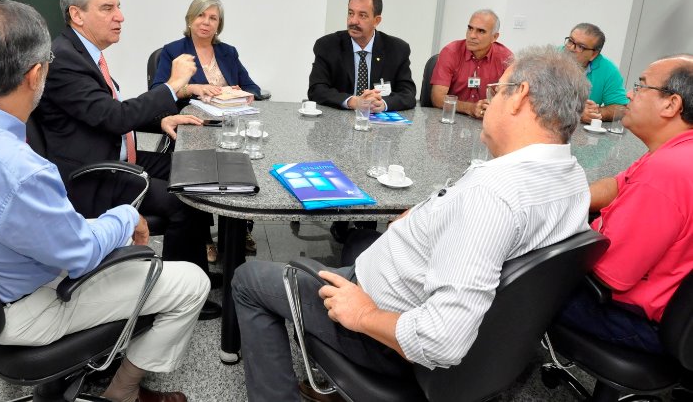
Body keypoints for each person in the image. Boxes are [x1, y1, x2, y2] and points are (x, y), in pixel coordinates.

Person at [233, 45, 592, 402]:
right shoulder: (572, 178)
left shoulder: (491, 196)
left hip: (385, 335)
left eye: (497, 91)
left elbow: (441, 339)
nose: (490, 101)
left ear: (519, 97)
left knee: (249, 281)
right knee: (359, 240)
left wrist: (364, 314)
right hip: (462, 326)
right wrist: (427, 214)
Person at [0, 0, 207, 402]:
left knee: (118, 239)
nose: (119, 15)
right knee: (192, 282)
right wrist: (126, 217)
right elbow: (81, 253)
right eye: (109, 7)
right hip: (24, 308)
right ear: (36, 74)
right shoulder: (21, 171)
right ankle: (122, 391)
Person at [34, 0, 221, 320]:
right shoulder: (64, 60)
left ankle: (198, 271)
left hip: (118, 158)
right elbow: (116, 118)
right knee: (185, 199)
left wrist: (160, 121)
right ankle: (178, 291)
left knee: (195, 171)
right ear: (77, 15)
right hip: (94, 175)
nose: (120, 16)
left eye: (118, 7)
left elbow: (105, 115)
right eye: (108, 8)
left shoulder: (84, 54)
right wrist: (172, 86)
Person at [557, 55, 693, 354]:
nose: (629, 94)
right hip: (677, 319)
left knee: (518, 279)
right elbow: (619, 185)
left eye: (641, 86)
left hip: (637, 322)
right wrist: (561, 197)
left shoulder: (666, 173)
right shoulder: (678, 151)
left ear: (671, 104)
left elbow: (609, 276)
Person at [151, 0, 259, 259]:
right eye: (201, 15)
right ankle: (201, 237)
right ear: (190, 19)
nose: (206, 22)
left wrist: (239, 92)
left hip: (227, 127)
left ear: (219, 24)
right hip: (193, 126)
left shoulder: (227, 52)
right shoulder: (173, 51)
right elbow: (157, 91)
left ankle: (236, 228)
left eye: (213, 18)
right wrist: (192, 88)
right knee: (200, 172)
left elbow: (253, 87)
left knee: (241, 166)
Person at [307, 0, 416, 113]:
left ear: (376, 20)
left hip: (379, 127)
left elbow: (408, 94)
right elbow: (316, 89)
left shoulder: (397, 49)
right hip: (338, 121)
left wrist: (383, 103)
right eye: (351, 13)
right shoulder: (327, 46)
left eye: (362, 15)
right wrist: (353, 101)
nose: (353, 21)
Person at [430, 9, 513, 119]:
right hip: (453, 118)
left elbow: (511, 101)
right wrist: (470, 108)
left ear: (494, 37)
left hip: (485, 122)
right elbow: (437, 98)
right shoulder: (451, 52)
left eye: (481, 31)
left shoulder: (506, 59)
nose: (472, 35)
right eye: (470, 28)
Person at [562, 23, 628, 123]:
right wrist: (577, 113)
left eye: (580, 47)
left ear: (594, 54)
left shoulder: (608, 70)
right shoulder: (550, 57)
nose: (571, 48)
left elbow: (621, 108)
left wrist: (594, 112)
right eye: (570, 41)